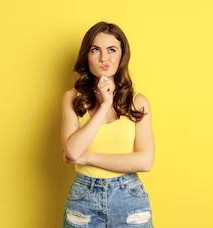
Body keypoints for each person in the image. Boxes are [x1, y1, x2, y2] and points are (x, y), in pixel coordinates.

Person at [60, 21, 155, 227]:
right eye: (95, 50)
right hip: (83, 199)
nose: (104, 58)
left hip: (129, 198)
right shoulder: (72, 98)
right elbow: (73, 150)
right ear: (87, 55)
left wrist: (87, 158)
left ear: (122, 55)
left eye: (112, 50)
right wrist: (104, 106)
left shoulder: (138, 102)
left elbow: (145, 161)